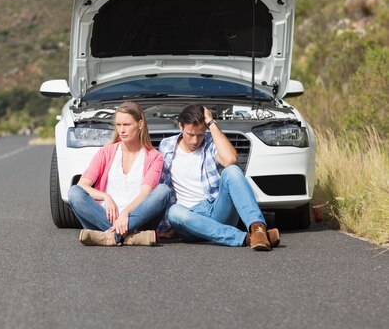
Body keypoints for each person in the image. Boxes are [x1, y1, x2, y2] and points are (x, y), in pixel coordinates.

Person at [158, 104, 280, 250]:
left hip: (215, 208)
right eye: (190, 134)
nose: (195, 141)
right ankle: (247, 239)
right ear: (181, 126)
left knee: (232, 171)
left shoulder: (210, 142)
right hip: (189, 217)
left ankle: (258, 230)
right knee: (175, 212)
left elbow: (230, 160)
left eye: (200, 134)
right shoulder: (166, 146)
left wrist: (211, 123)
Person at [68, 101, 171, 246]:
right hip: (105, 217)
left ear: (140, 124)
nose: (122, 130)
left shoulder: (154, 156)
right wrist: (105, 196)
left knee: (163, 191)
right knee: (74, 193)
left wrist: (125, 214)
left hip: (137, 218)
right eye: (118, 125)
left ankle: (109, 236)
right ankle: (131, 237)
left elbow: (145, 194)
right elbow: (82, 185)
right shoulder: (106, 151)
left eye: (127, 125)